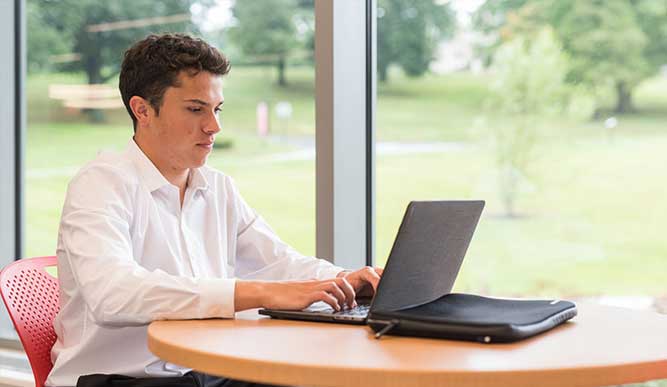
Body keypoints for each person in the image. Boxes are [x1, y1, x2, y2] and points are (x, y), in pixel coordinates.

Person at [46, 33, 383, 387]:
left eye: (216, 109)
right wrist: (259, 292)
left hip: (204, 374)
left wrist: (345, 279)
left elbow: (280, 263)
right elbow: (113, 293)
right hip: (119, 380)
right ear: (142, 110)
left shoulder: (218, 187)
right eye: (196, 109)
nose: (214, 127)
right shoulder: (100, 184)